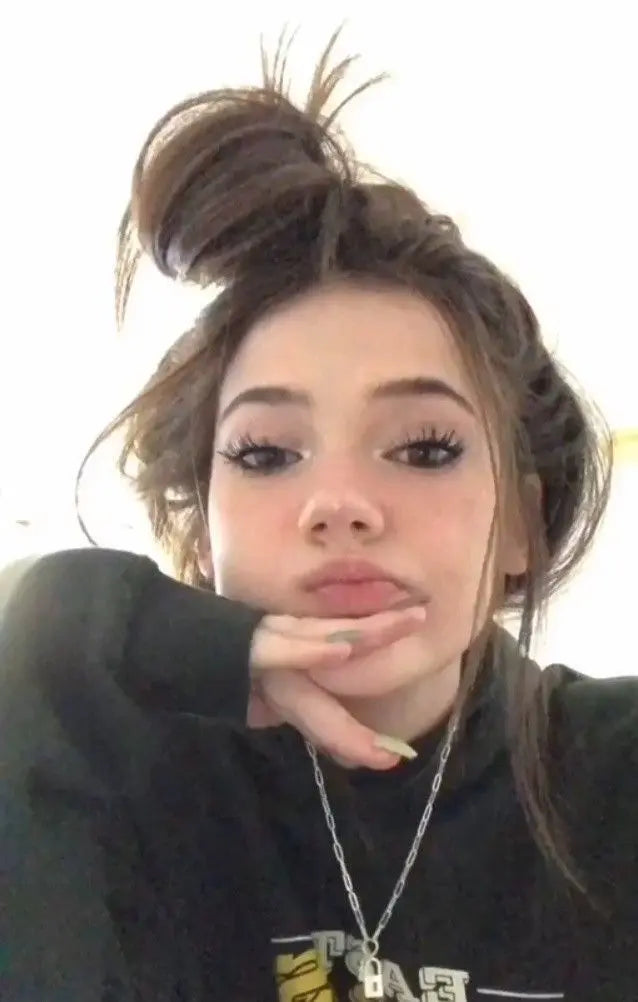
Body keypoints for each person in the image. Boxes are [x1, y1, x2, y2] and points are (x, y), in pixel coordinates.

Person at [1, 31, 636, 1002]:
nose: (337, 504)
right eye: (265, 454)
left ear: (521, 524)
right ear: (202, 527)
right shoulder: (122, 775)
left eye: (424, 447)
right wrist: (54, 625)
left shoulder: (616, 775)